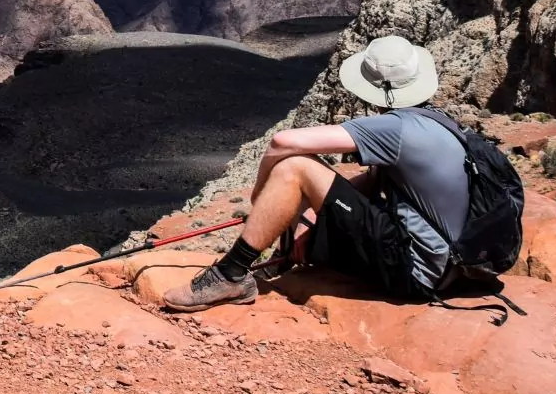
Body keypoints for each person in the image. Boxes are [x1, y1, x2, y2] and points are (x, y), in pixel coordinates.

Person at [160, 34, 470, 313]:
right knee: (309, 175)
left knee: (294, 166)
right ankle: (273, 259)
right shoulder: (439, 122)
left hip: (415, 271)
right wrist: (317, 221)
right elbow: (375, 183)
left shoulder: (395, 128)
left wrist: (260, 195)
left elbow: (282, 142)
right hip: (450, 267)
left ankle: (231, 274)